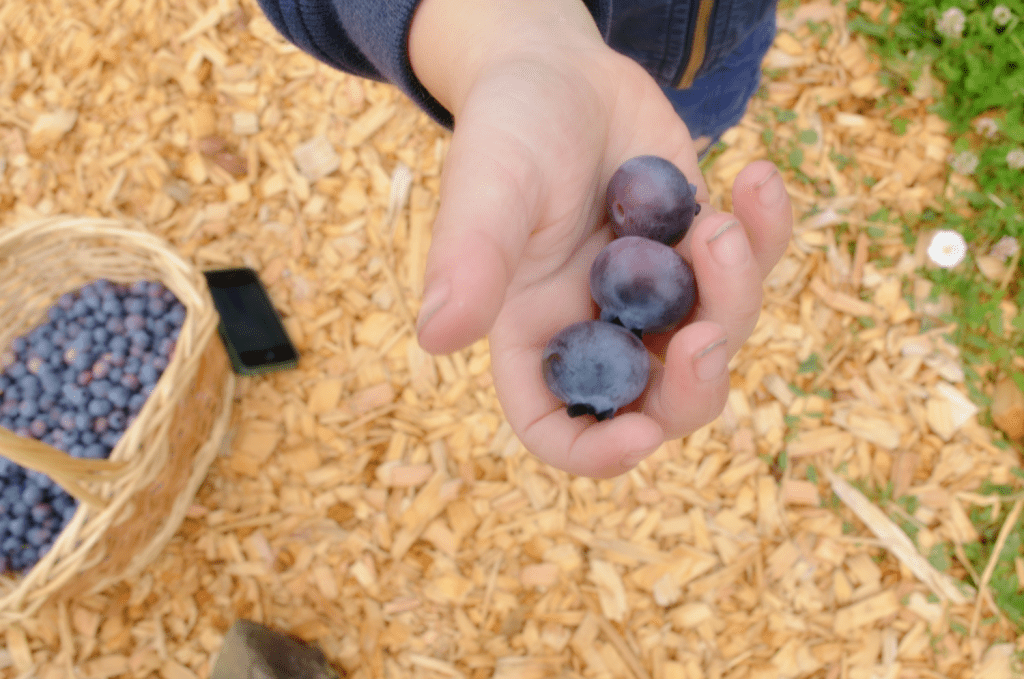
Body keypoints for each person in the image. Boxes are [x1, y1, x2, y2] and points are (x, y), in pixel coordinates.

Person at [253, 0, 794, 478]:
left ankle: (700, 131)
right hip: (530, 37)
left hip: (717, 48)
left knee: (700, 116)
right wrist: (503, 31)